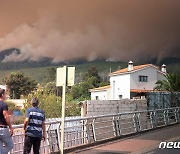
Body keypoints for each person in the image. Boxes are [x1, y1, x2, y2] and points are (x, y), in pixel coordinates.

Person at [0, 88, 13, 154]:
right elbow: (6, 116)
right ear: (2, 95)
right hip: (3, 129)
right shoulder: (4, 105)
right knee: (10, 145)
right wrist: (10, 127)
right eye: (5, 94)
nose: (5, 95)